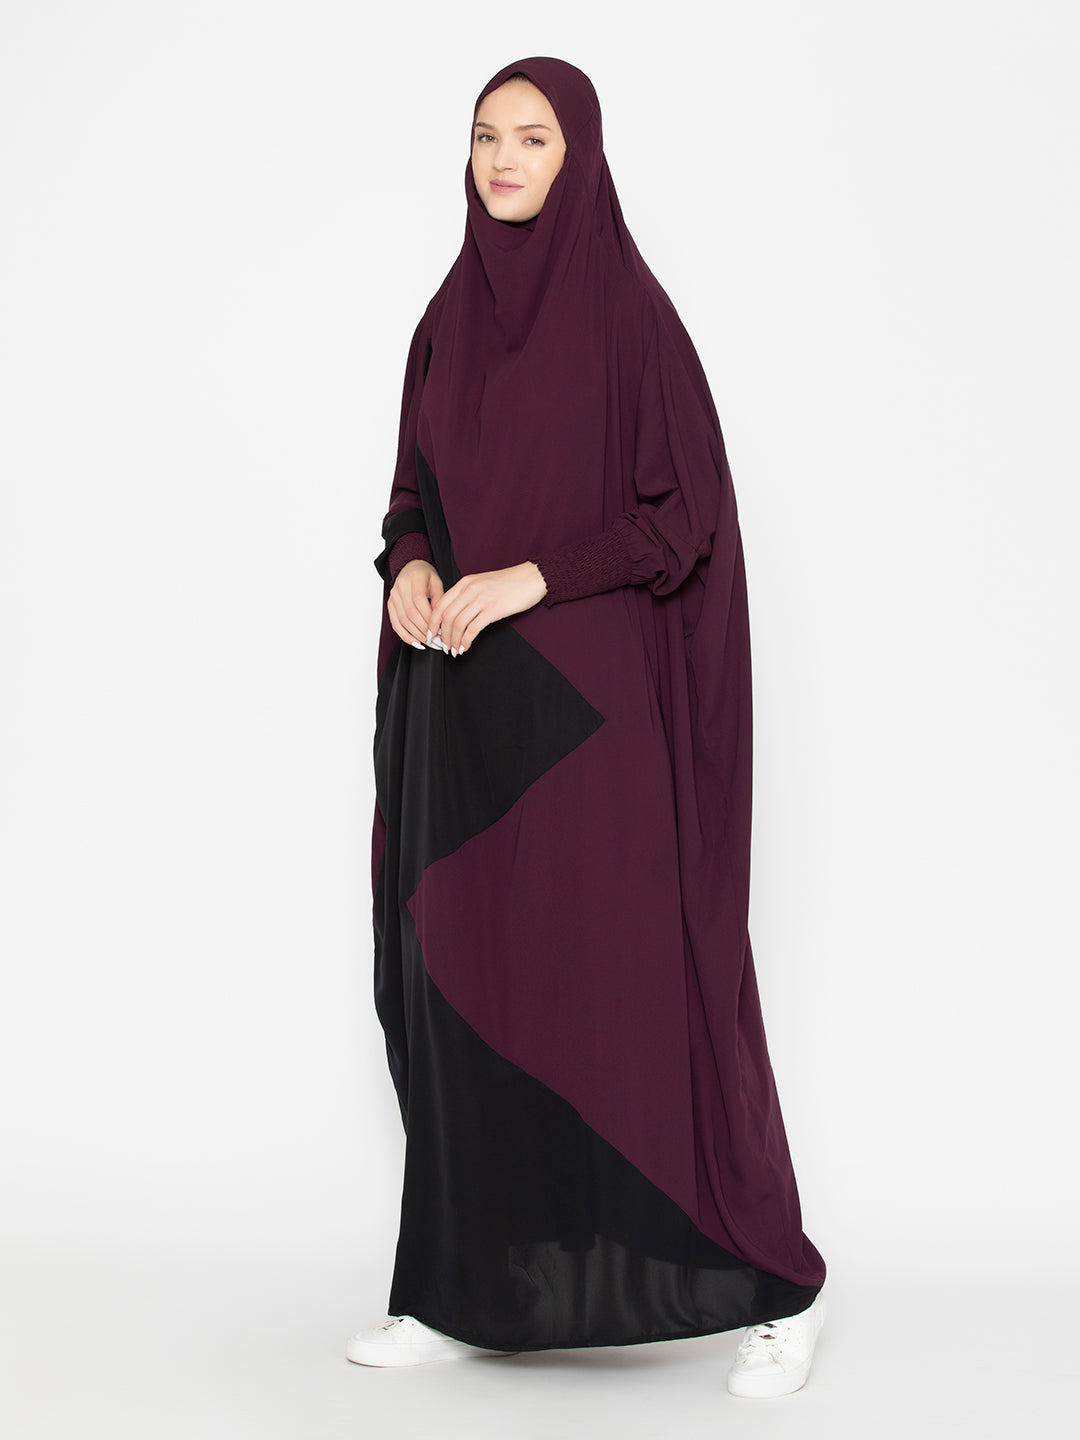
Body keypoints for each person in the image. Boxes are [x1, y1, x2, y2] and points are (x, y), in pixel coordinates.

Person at [347, 56, 828, 1399]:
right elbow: (409, 497)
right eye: (485, 136)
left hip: (593, 717)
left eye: (535, 138)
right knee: (464, 993)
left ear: (582, 158)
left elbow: (683, 522)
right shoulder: (446, 320)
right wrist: (411, 568)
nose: (504, 159)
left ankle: (777, 1288)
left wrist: (532, 577)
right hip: (464, 713)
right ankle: (455, 1287)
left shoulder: (630, 318)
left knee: (637, 992)